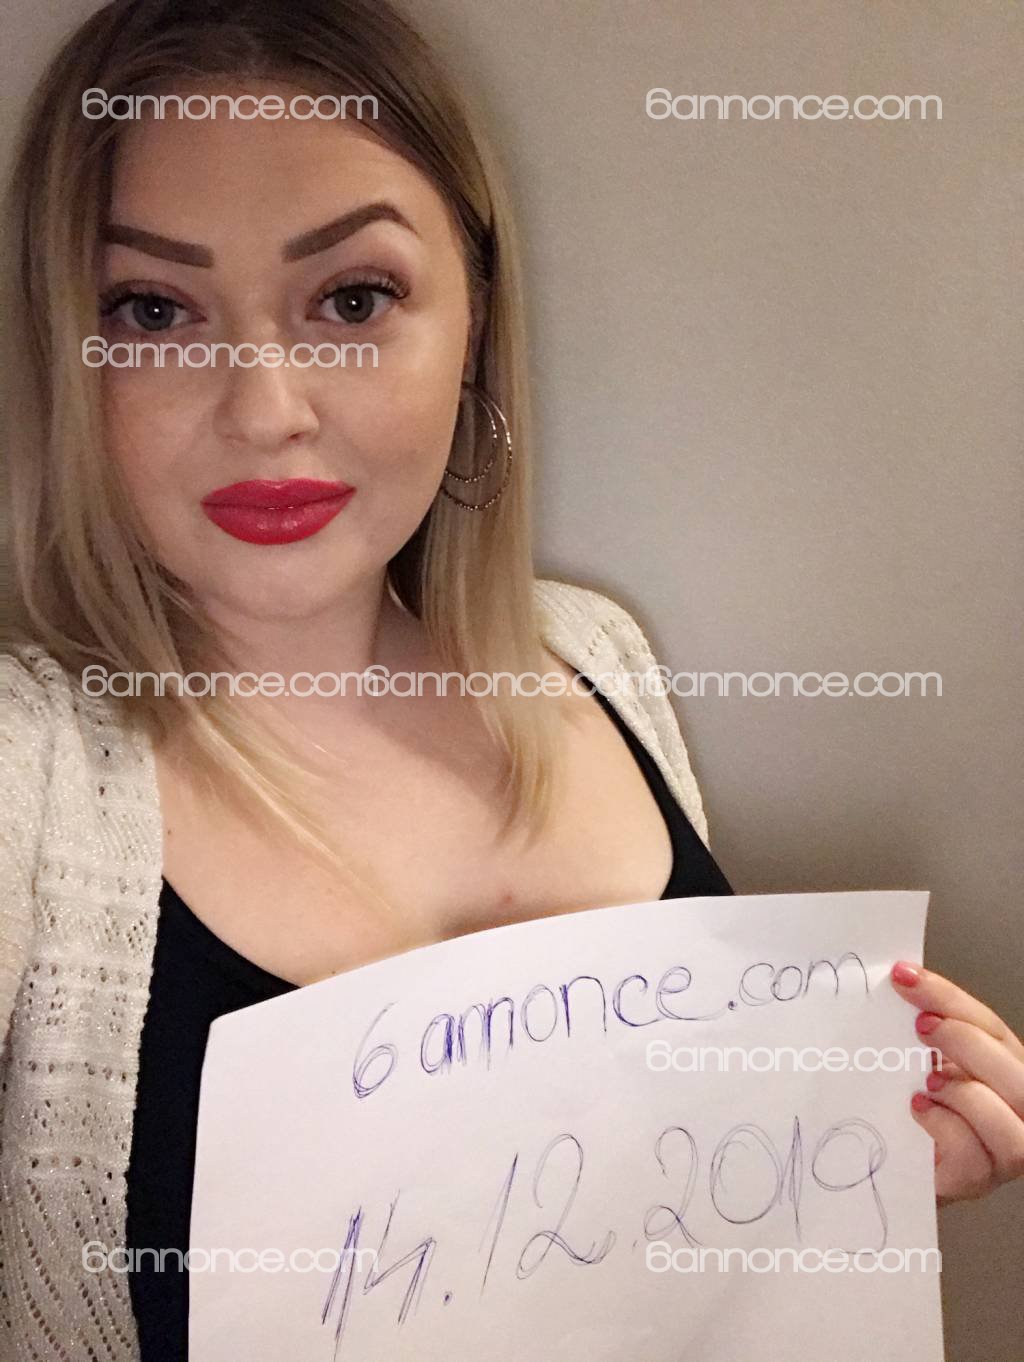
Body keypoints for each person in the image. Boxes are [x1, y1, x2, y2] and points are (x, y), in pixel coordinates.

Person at [0, 1, 1020, 1359]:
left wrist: (847, 1174)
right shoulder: (26, 781)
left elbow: (640, 1243)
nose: (265, 408)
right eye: (152, 310)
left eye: (353, 300)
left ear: (473, 321)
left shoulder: (595, 656)